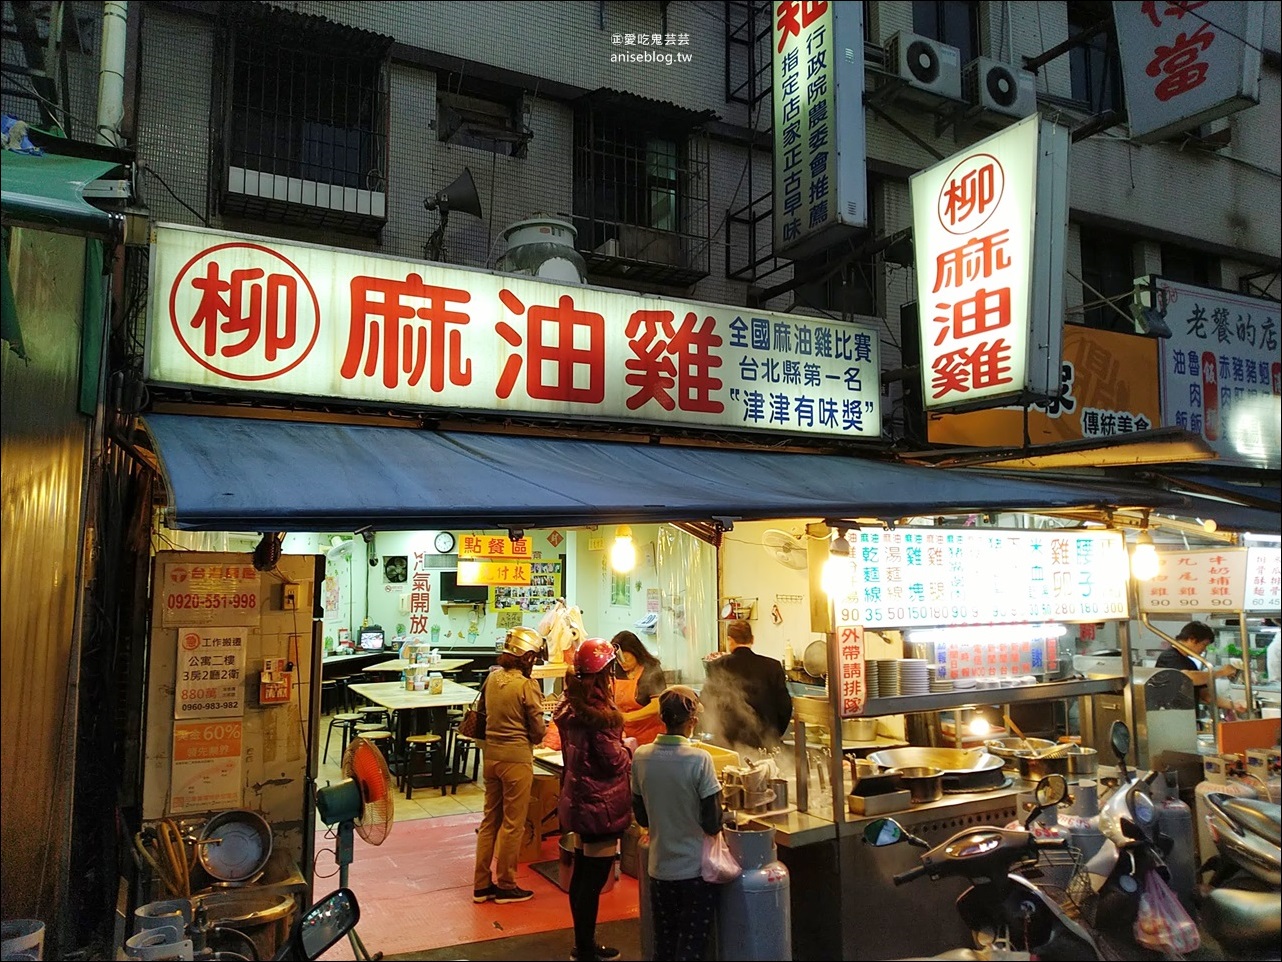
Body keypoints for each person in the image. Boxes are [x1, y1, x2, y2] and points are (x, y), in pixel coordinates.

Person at [554, 638, 635, 962]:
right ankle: (585, 948)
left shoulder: (572, 705)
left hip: (579, 800)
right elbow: (612, 761)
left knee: (583, 875)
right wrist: (629, 746)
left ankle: (582, 943)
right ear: (604, 674)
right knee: (594, 877)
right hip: (599, 805)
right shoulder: (598, 714)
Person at [631, 685, 724, 962]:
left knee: (665, 945)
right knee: (692, 949)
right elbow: (712, 822)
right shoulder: (699, 760)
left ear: (662, 718)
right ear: (692, 721)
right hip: (694, 872)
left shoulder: (641, 757)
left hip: (659, 870)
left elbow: (642, 816)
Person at [472, 625, 548, 905]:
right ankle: (505, 884)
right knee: (513, 824)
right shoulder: (527, 686)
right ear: (526, 657)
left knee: (489, 820)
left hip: (490, 757)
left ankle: (481, 885)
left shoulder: (492, 679)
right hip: (517, 760)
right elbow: (538, 731)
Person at [700, 620, 793, 750]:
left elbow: (706, 702)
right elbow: (785, 706)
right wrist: (774, 734)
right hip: (765, 741)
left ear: (729, 640)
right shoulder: (772, 666)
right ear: (752, 639)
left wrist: (716, 731)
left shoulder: (718, 666)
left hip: (728, 742)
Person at [1155, 621, 1245, 714]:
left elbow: (1205, 694)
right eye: (1204, 644)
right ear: (1192, 639)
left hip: (1189, 717)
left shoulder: (1190, 663)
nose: (1204, 649)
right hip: (1171, 716)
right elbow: (1187, 677)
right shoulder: (1169, 657)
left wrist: (1233, 705)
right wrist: (1221, 672)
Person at [612, 630, 666, 746]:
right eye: (619, 659)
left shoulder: (651, 670)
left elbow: (657, 705)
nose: (622, 663)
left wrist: (628, 717)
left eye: (626, 658)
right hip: (624, 737)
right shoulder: (617, 670)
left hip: (649, 738)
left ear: (636, 652)